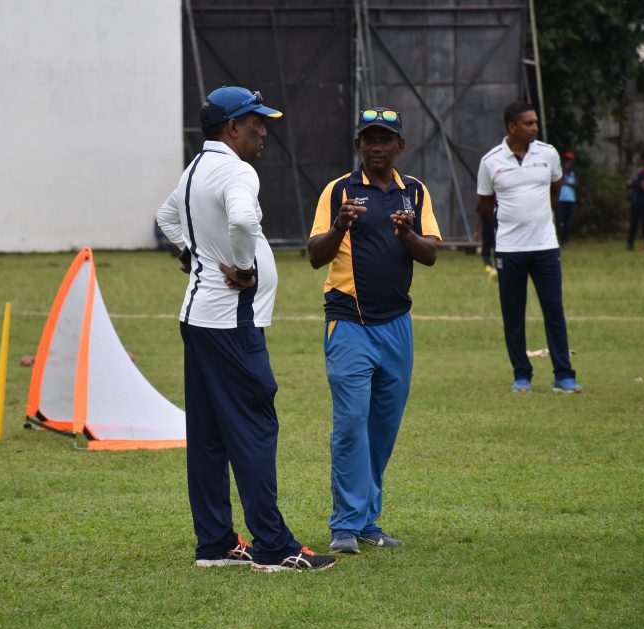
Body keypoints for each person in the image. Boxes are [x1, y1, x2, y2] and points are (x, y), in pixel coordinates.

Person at [155, 86, 338, 571]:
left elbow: (166, 217)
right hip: (231, 324)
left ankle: (215, 543)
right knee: (255, 427)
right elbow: (239, 220)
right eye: (256, 122)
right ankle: (274, 547)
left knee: (209, 436)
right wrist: (244, 268)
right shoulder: (237, 171)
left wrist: (191, 253)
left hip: (198, 320)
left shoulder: (196, 168)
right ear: (232, 127)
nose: (263, 132)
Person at [307, 107, 441, 554]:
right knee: (350, 424)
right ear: (358, 145)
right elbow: (315, 255)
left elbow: (430, 254)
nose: (377, 147)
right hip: (348, 324)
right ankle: (345, 526)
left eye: (385, 139)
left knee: (382, 429)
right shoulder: (338, 191)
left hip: (397, 326)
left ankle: (367, 523)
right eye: (369, 139)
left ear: (400, 146)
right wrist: (341, 225)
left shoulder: (414, 193)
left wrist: (406, 235)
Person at [476, 102, 582, 394]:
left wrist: (541, 217)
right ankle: (521, 375)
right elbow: (485, 203)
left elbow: (556, 187)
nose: (535, 127)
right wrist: (511, 222)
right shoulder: (490, 161)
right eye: (528, 123)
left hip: (546, 247)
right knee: (513, 315)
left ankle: (564, 375)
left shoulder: (548, 153)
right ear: (512, 127)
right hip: (509, 250)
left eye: (535, 122)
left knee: (554, 310)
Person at [556, 151, 578, 245]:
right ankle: (558, 237)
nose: (567, 161)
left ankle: (565, 240)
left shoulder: (574, 171)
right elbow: (557, 182)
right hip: (560, 198)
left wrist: (565, 183)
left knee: (567, 220)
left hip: (570, 199)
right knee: (559, 219)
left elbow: (576, 184)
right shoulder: (560, 170)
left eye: (569, 159)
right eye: (566, 159)